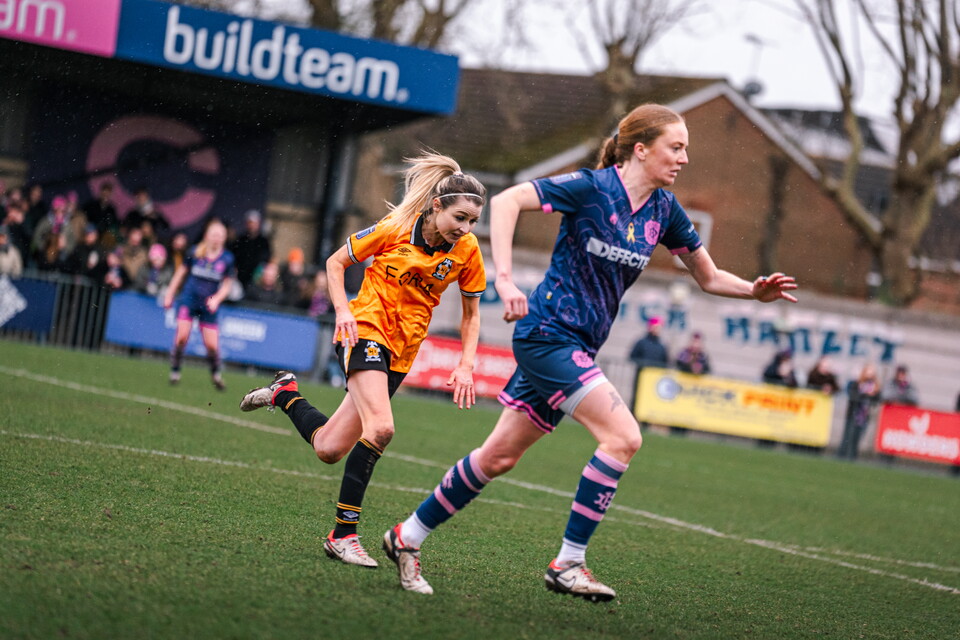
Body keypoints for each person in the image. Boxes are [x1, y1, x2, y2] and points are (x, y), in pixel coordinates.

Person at [380, 104, 798, 600]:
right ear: (640, 149)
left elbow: (707, 277)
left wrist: (754, 290)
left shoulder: (665, 210)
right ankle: (569, 563)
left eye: (686, 148)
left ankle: (406, 536)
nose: (684, 158)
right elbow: (511, 200)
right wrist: (507, 279)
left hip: (576, 346)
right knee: (623, 438)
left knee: (498, 458)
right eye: (676, 146)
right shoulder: (592, 188)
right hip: (548, 336)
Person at [239, 152, 487, 570]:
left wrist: (466, 364)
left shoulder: (466, 250)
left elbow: (471, 313)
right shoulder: (393, 229)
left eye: (473, 222)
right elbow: (336, 263)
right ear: (437, 206)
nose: (465, 228)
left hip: (402, 352)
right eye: (460, 217)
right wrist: (343, 311)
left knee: (330, 447)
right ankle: (343, 535)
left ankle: (285, 394)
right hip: (364, 333)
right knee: (382, 428)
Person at [163, 218, 235, 390]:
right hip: (189, 300)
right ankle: (175, 370)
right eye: (214, 235)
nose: (217, 238)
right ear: (207, 236)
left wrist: (216, 298)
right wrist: (170, 293)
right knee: (181, 337)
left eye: (220, 235)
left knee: (212, 346)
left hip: (208, 306)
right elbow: (180, 273)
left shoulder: (227, 258)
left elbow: (227, 284)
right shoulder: (195, 251)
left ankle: (216, 374)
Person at [838, 363, 881, 459]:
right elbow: (852, 395)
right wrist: (865, 394)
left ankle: (852, 457)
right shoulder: (857, 383)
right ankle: (842, 455)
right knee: (848, 436)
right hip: (853, 414)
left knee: (858, 437)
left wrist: (872, 395)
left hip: (864, 416)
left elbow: (877, 399)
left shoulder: (875, 386)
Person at [229, 209, 272, 288]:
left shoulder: (264, 241)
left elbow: (267, 259)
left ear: (258, 224)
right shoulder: (240, 240)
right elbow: (233, 256)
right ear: (246, 224)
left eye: (254, 223)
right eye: (250, 223)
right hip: (240, 277)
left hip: (257, 278)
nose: (252, 225)